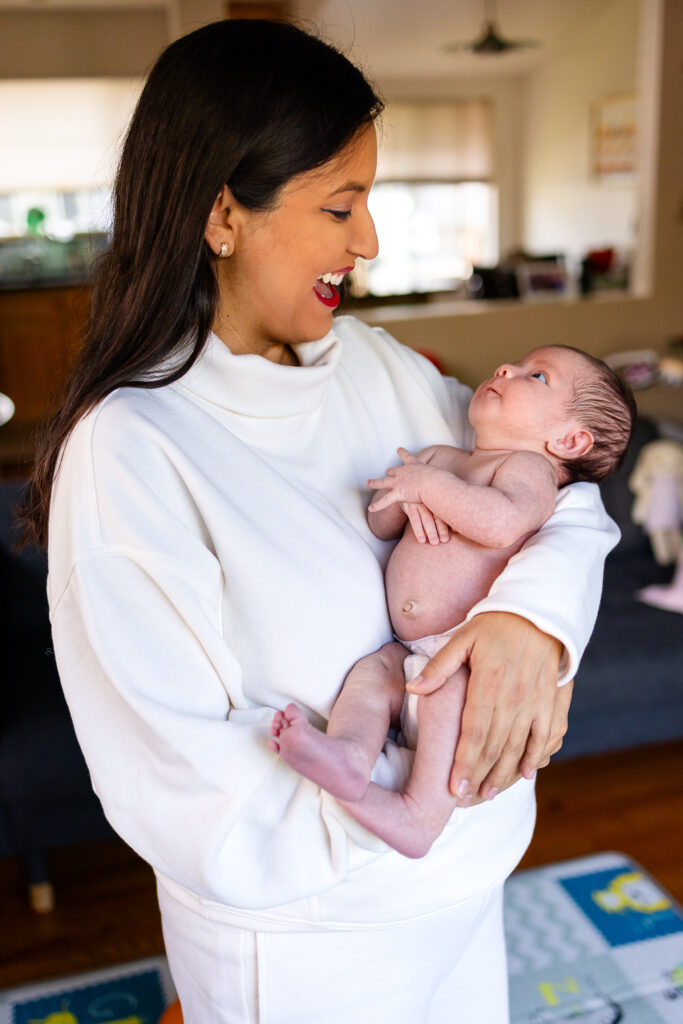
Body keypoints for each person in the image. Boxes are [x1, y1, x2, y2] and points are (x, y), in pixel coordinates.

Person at [20, 19, 621, 1024]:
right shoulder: (134, 448)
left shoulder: (380, 367)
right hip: (322, 943)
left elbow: (562, 495)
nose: (370, 241)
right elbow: (176, 772)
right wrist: (385, 835)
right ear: (222, 214)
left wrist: (536, 626)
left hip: (469, 889)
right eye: (340, 205)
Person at [270, 345, 636, 858]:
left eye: (538, 376)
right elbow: (380, 521)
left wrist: (432, 487)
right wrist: (406, 494)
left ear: (569, 440)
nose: (506, 367)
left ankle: (421, 814)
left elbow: (501, 522)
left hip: (460, 650)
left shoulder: (527, 471)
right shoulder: (445, 458)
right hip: (406, 645)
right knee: (371, 678)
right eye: (515, 362)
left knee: (448, 696)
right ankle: (352, 753)